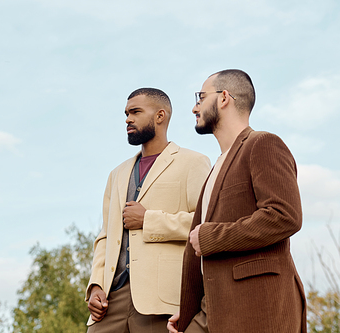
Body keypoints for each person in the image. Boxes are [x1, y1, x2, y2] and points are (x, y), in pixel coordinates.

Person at [168, 69, 307, 333]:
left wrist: (212, 237)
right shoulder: (215, 167)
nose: (194, 107)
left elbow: (284, 215)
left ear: (224, 98)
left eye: (201, 97)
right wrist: (189, 312)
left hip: (256, 308)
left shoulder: (263, 144)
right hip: (213, 310)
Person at [86, 88, 211, 333]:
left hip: (162, 302)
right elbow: (105, 237)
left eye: (135, 112)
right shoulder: (117, 174)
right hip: (112, 301)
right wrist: (96, 285)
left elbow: (206, 225)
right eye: (126, 113)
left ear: (160, 116)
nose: (127, 119)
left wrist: (148, 220)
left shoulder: (193, 162)